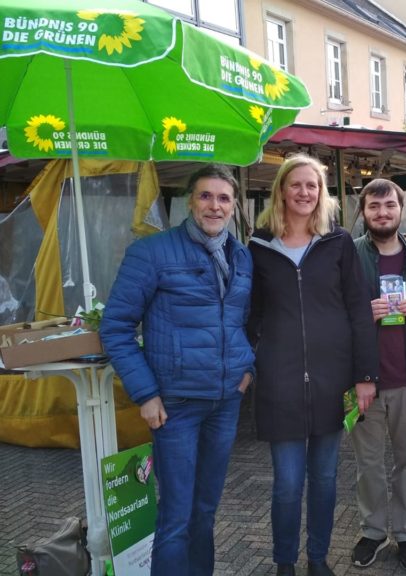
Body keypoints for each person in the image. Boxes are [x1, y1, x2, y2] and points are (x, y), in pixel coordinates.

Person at [100, 164, 255, 576]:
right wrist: (145, 393)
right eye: (206, 196)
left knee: (205, 511)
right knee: (176, 517)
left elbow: (245, 322)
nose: (215, 205)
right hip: (176, 406)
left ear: (234, 205)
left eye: (223, 198)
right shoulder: (152, 252)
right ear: (190, 200)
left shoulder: (241, 255)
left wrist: (247, 369)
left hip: (225, 402)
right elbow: (115, 327)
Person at [247, 154, 379, 576]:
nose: (304, 192)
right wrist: (252, 362)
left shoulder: (338, 243)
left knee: (324, 479)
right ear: (281, 190)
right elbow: (250, 314)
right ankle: (285, 561)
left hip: (333, 380)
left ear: (321, 193)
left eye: (312, 186)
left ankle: (317, 558)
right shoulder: (259, 246)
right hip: (280, 383)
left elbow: (359, 311)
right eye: (296, 185)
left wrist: (364, 376)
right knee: (287, 484)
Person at [351, 179, 406, 570]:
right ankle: (372, 531)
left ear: (400, 210)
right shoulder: (349, 255)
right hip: (362, 382)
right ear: (364, 211)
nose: (382, 213)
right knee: (367, 463)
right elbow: (334, 316)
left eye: (389, 206)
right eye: (374, 207)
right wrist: (360, 316)